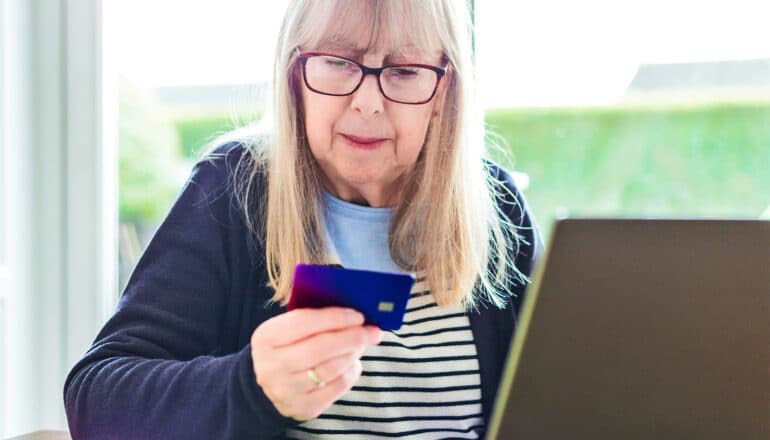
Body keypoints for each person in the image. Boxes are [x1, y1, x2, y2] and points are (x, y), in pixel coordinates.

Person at [63, 0, 542, 438]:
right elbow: (96, 401)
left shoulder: (496, 207)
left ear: (444, 88)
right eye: (337, 63)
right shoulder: (235, 192)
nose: (369, 101)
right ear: (295, 75)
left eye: (403, 71)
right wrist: (251, 386)